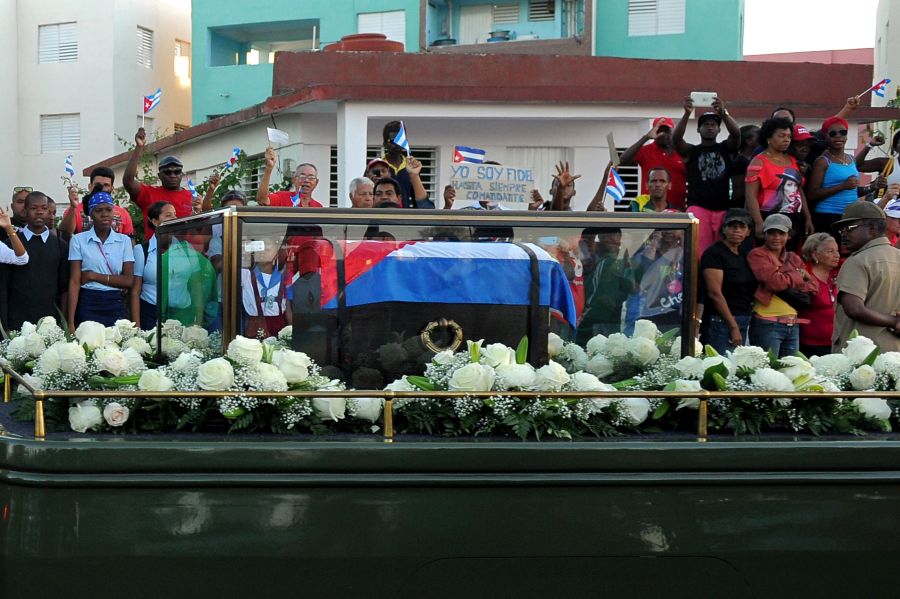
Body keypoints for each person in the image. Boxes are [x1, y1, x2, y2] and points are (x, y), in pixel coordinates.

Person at [673, 96, 740, 255]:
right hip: (698, 206)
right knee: (698, 252)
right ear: (698, 129)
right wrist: (686, 114)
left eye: (713, 125)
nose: (710, 127)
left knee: (721, 251)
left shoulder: (726, 148)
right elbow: (676, 139)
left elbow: (737, 134)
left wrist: (723, 113)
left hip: (722, 207)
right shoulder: (691, 151)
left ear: (719, 129)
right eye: (705, 125)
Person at [124, 128, 219, 236]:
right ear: (160, 176)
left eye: (177, 171)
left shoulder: (193, 196)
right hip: (157, 250)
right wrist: (139, 148)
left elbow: (207, 221)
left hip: (186, 251)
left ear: (181, 174)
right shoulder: (148, 193)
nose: (173, 175)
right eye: (168, 172)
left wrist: (210, 192)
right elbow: (128, 182)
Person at [831, 202, 900, 352]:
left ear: (873, 228)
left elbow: (854, 308)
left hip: (860, 358)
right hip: (893, 355)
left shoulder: (858, 261)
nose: (843, 233)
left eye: (849, 228)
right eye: (842, 229)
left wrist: (894, 321)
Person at [747, 214, 818, 357]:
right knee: (767, 373)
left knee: (791, 372)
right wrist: (798, 276)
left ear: (789, 235)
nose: (776, 237)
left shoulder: (793, 257)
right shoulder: (757, 254)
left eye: (781, 233)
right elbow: (775, 283)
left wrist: (783, 276)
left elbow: (813, 287)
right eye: (771, 233)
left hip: (793, 325)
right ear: (764, 234)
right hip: (767, 323)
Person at [67, 191, 135, 329]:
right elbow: (74, 281)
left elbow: (128, 280)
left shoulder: (124, 241)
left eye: (108, 210)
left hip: (115, 301)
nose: (104, 214)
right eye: (99, 210)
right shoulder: (78, 240)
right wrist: (70, 322)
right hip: (88, 301)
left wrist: (93, 276)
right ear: (91, 214)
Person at [0, 192, 67, 331]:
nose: (39, 212)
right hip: (17, 320)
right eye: (34, 208)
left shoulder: (60, 245)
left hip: (50, 320)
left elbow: (64, 286)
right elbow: (3, 286)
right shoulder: (10, 243)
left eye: (44, 208)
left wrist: (64, 319)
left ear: (49, 211)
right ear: (25, 211)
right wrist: (5, 323)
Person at [744, 117, 813, 249]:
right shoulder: (759, 161)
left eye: (789, 136)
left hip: (794, 218)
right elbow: (750, 196)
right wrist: (759, 222)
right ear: (768, 138)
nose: (786, 139)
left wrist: (808, 218)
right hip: (770, 218)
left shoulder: (793, 161)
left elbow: (799, 191)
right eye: (781, 136)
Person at [699, 208, 756, 353]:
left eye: (742, 227)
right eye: (732, 226)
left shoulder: (745, 253)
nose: (736, 230)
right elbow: (714, 293)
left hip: (744, 319)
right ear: (724, 229)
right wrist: (733, 326)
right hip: (720, 322)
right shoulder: (714, 253)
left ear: (748, 232)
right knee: (720, 369)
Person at [807, 116, 865, 235]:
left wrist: (873, 186)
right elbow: (812, 194)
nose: (838, 136)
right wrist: (842, 186)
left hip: (850, 215)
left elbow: (853, 190)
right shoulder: (822, 161)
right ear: (826, 137)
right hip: (829, 216)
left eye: (842, 132)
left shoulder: (851, 159)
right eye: (833, 133)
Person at [576, 227, 633, 343]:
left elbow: (632, 289)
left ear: (620, 239)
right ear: (600, 238)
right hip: (596, 322)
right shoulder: (602, 260)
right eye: (607, 235)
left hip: (607, 321)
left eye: (615, 235)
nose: (611, 239)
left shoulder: (619, 261)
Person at [619, 116, 687, 210]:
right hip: (648, 209)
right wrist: (646, 137)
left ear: (672, 132)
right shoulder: (646, 151)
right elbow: (622, 160)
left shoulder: (683, 152)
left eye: (666, 130)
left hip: (677, 209)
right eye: (659, 131)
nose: (663, 134)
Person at [131, 201, 177, 330]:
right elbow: (135, 291)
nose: (174, 219)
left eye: (175, 215)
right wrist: (137, 327)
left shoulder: (184, 249)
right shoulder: (142, 250)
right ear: (155, 221)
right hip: (151, 313)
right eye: (168, 215)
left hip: (179, 313)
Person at [61, 166, 135, 241]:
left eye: (106, 185)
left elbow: (130, 242)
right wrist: (73, 207)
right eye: (97, 185)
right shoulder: (74, 210)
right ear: (90, 187)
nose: (101, 188)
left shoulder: (123, 213)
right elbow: (64, 234)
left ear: (112, 189)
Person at [797, 233, 840, 357]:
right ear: (814, 254)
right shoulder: (804, 275)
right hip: (810, 345)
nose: (836, 255)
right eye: (830, 251)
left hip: (836, 343)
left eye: (837, 251)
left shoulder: (838, 274)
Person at [241, 236, 291, 338]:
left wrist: (291, 330)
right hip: (254, 325)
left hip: (278, 326)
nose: (263, 252)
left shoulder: (283, 280)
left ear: (276, 255)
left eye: (267, 249)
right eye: (260, 248)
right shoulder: (246, 275)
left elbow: (288, 309)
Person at [380, 121, 433, 208]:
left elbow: (420, 202)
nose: (396, 145)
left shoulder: (412, 168)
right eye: (392, 140)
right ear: (385, 143)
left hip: (405, 216)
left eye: (400, 139)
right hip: (380, 216)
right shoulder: (378, 166)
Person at [257, 146, 324, 208]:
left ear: (316, 183)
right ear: (294, 180)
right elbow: (262, 200)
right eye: (302, 176)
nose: (306, 180)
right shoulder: (282, 198)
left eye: (311, 177)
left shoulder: (318, 207)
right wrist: (269, 168)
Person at [730, 124, 760, 210]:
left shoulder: (758, 159)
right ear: (749, 141)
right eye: (758, 134)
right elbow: (738, 191)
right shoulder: (739, 162)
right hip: (743, 206)